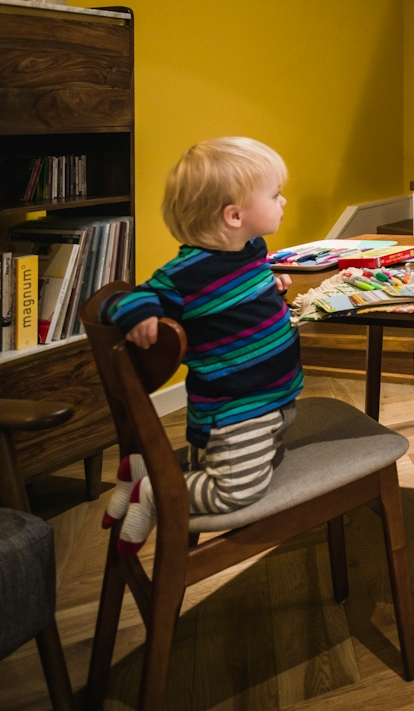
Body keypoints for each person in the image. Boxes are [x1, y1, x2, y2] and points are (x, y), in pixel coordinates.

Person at [100, 138, 303, 554]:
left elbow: (234, 303)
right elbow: (124, 299)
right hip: (235, 411)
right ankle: (156, 493)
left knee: (230, 466)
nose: (283, 201)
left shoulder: (251, 250)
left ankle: (140, 469)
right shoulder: (185, 276)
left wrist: (271, 289)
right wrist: (136, 314)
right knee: (236, 492)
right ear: (234, 215)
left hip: (270, 400)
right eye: (275, 194)